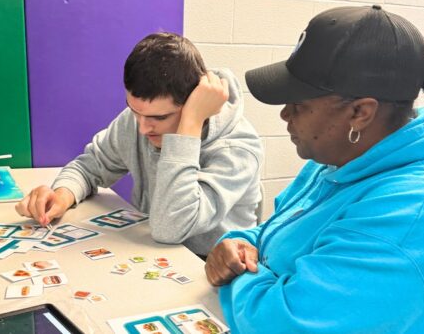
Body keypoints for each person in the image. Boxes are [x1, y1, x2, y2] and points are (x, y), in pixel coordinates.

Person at [205, 5, 424, 333]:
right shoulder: (335, 162)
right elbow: (274, 235)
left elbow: (284, 323)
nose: (285, 115)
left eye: (299, 104)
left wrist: (239, 273)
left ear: (360, 113)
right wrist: (236, 243)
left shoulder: (415, 211)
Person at [15, 32, 263, 257]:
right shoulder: (139, 121)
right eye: (134, 112)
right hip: (154, 256)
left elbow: (170, 228)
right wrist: (62, 195)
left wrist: (189, 129)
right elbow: (89, 167)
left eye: (159, 117)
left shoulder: (238, 149)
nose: (143, 128)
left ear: (193, 106)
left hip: (212, 272)